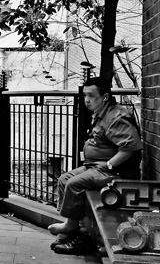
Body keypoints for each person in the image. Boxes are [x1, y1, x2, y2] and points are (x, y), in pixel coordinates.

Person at [48, 77, 143, 254]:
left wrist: (109, 164)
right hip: (95, 166)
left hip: (116, 172)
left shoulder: (116, 116)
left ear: (105, 97)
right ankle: (73, 226)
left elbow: (130, 148)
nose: (86, 100)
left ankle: (77, 230)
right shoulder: (102, 114)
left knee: (75, 184)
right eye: (85, 95)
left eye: (91, 96)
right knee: (63, 179)